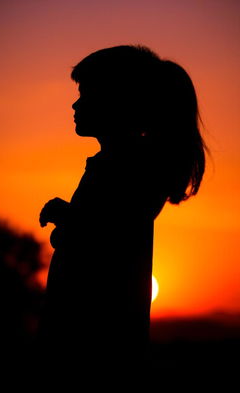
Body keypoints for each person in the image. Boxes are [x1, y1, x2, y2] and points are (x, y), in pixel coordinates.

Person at [37, 44, 209, 383]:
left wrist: (68, 221)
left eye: (86, 94)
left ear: (118, 102)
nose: (75, 104)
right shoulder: (121, 165)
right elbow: (106, 226)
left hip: (96, 351)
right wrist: (70, 219)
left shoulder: (130, 168)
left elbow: (109, 239)